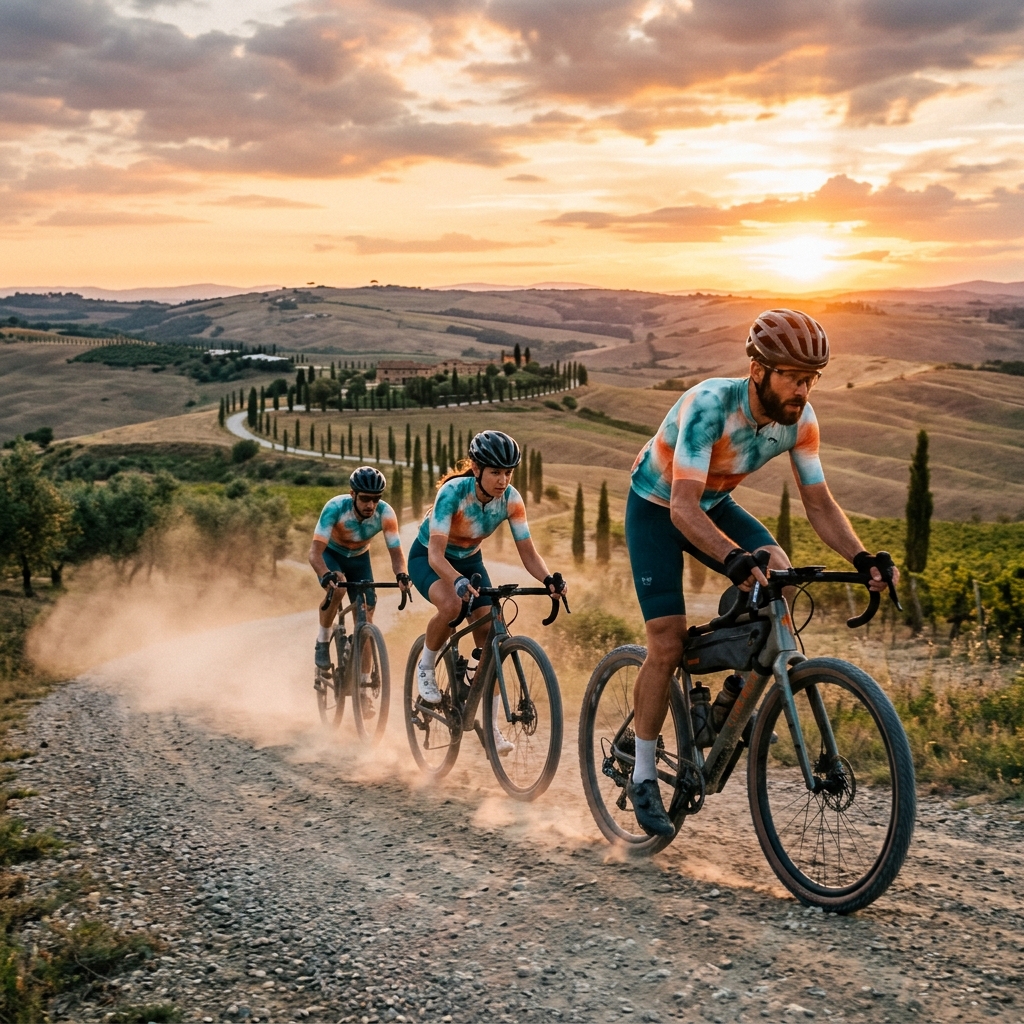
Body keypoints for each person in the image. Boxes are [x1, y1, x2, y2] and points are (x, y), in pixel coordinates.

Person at [625, 309, 899, 836]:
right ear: (758, 370)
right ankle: (641, 772)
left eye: (811, 378)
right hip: (659, 506)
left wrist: (862, 558)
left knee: (782, 576)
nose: (803, 389)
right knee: (666, 643)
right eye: (794, 377)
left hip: (713, 500)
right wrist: (731, 557)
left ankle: (733, 700)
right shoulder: (711, 405)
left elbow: (819, 503)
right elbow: (682, 508)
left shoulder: (801, 420)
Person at [408, 430, 566, 756]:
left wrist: (549, 579)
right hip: (429, 559)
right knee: (453, 605)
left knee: (491, 635)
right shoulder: (453, 494)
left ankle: (490, 726)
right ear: (477, 468)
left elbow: (528, 553)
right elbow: (437, 556)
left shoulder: (511, 499)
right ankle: (426, 665)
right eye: (495, 471)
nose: (503, 479)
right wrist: (457, 581)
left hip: (470, 561)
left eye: (508, 472)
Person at [309, 467, 411, 713]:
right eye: (365, 498)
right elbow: (314, 553)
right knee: (339, 587)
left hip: (359, 559)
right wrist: (325, 575)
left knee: (366, 619)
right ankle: (323, 641)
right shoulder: (335, 508)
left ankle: (363, 689)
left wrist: (401, 575)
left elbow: (396, 554)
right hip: (332, 555)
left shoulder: (386, 513)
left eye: (376, 499)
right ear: (352, 494)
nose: (371, 505)